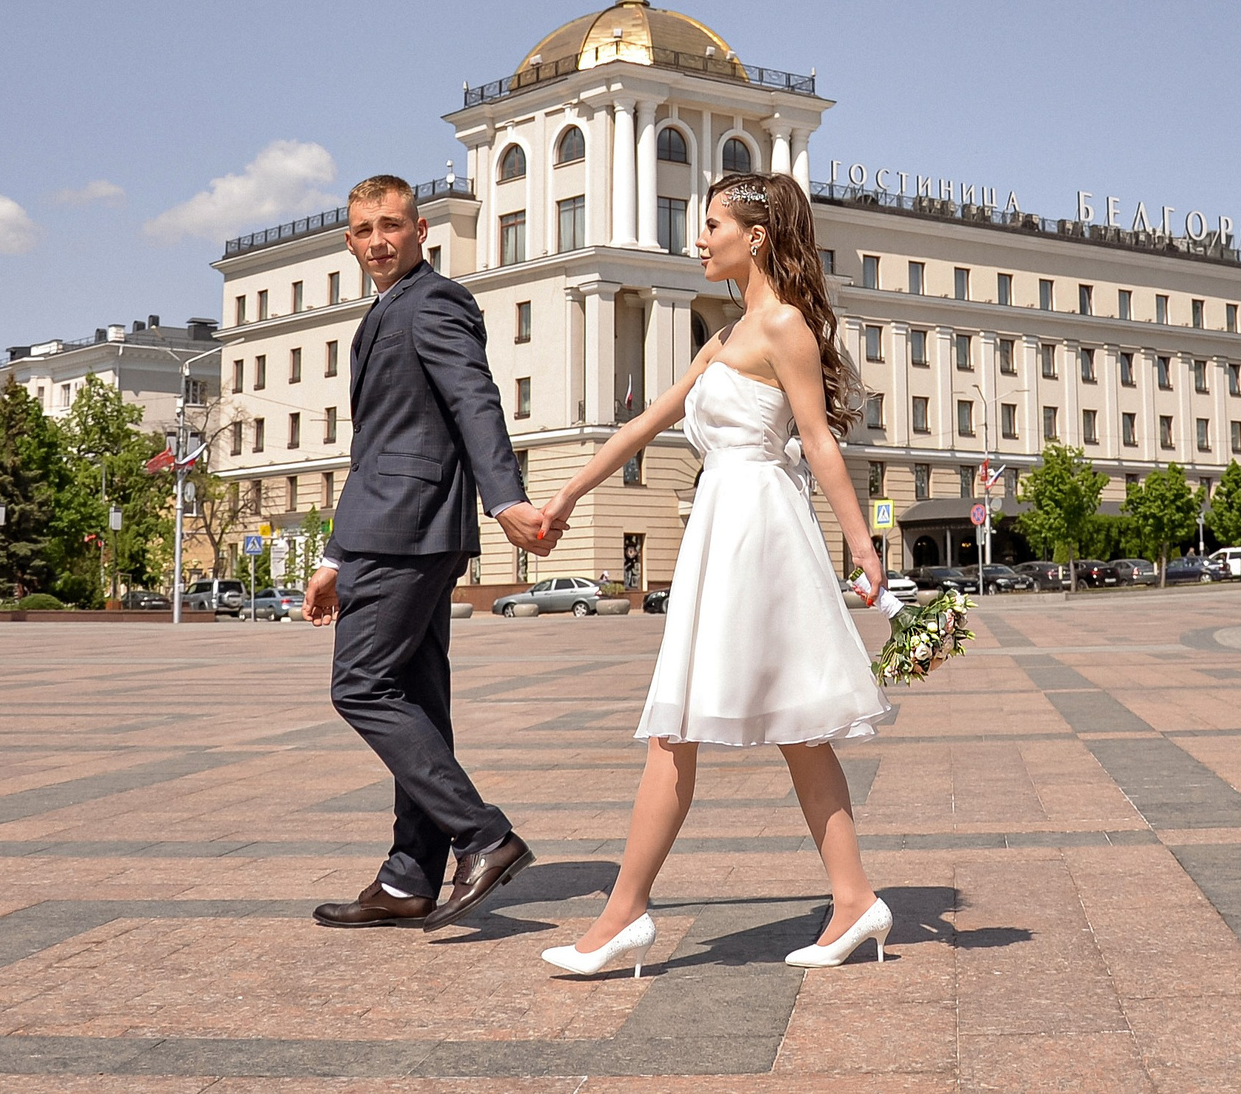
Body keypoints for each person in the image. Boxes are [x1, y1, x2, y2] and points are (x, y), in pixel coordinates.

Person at [533, 172, 896, 978]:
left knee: (698, 726)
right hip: (722, 527)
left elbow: (820, 441)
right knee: (785, 731)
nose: (698, 239)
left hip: (758, 530)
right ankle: (853, 900)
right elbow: (640, 427)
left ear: (754, 237)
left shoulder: (784, 328)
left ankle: (624, 916)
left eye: (710, 225)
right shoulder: (723, 339)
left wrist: (863, 548)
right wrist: (561, 497)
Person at [302, 174, 559, 932]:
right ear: (349, 240)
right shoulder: (383, 312)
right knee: (417, 701)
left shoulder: (435, 301)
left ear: (421, 231)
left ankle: (485, 836)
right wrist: (334, 557)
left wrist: (505, 494)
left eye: (390, 225)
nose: (377, 240)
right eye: (363, 230)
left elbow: (474, 399)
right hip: (389, 526)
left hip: (406, 528)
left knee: (361, 687)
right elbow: (378, 443)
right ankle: (410, 875)